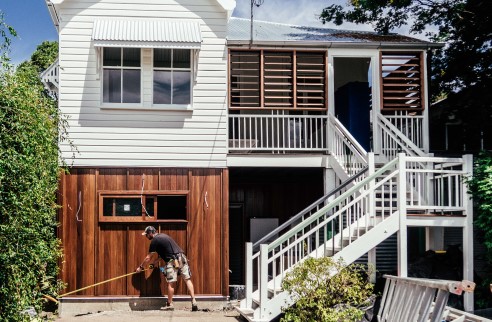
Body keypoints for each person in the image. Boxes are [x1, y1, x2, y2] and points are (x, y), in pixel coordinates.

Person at [136, 226, 198, 311]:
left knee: (171, 283)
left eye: (146, 234)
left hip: (172, 261)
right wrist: (154, 263)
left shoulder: (154, 241)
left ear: (150, 233)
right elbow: (164, 254)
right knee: (187, 279)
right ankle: (194, 301)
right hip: (181, 258)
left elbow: (148, 257)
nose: (146, 237)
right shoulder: (164, 236)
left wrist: (141, 267)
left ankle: (170, 304)